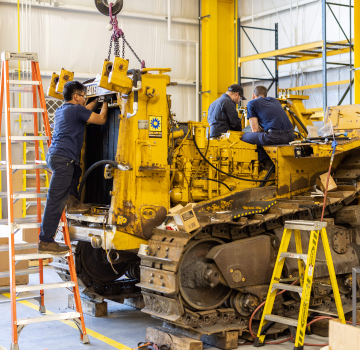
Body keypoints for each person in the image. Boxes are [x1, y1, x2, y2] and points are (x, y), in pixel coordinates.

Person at [38, 81, 108, 255]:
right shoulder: (77, 110)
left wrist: (95, 101)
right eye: (83, 96)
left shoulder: (63, 110)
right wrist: (105, 102)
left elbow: (86, 110)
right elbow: (100, 119)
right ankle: (46, 241)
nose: (85, 100)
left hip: (55, 157)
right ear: (76, 96)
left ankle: (72, 201)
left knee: (76, 170)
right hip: (63, 160)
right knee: (55, 201)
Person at [241, 85, 295, 167]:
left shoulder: (252, 103)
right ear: (265, 95)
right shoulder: (275, 101)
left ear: (253, 95)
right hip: (291, 136)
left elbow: (255, 130)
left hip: (274, 136)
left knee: (244, 136)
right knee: (261, 138)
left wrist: (260, 129)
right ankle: (267, 160)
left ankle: (262, 161)